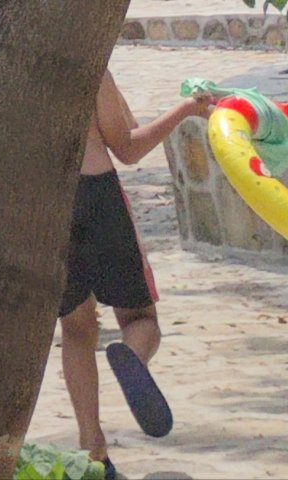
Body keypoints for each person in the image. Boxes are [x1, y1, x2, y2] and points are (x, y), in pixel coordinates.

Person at [52, 73, 217, 474]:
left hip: (46, 206)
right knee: (140, 319)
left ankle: (93, 451)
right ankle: (134, 356)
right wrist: (187, 110)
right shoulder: (89, 66)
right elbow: (127, 147)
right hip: (97, 197)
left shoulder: (14, 67)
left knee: (76, 328)